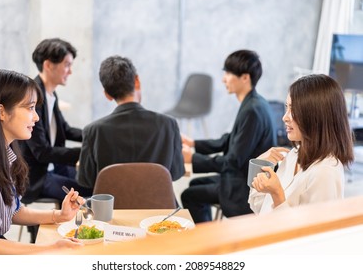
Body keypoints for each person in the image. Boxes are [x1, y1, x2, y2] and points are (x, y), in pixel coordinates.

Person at [0, 69, 84, 254]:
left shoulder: (2, 154)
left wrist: (60, 215)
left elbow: (14, 211)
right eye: (30, 107)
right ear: (1, 111)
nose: (36, 117)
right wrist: (50, 249)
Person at [181, 49, 276, 223]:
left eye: (229, 73)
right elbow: (229, 140)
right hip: (240, 176)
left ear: (245, 77)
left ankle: (208, 241)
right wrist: (194, 143)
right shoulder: (254, 103)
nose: (224, 78)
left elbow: (233, 162)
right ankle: (210, 233)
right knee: (194, 185)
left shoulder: (252, 111)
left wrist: (193, 159)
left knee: (189, 195)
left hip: (243, 189)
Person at [248, 74, 354, 214]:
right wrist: (261, 162)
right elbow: (260, 207)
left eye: (294, 110)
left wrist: (277, 194)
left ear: (316, 115)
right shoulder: (294, 155)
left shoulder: (325, 173)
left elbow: (314, 233)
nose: (285, 117)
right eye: (287, 107)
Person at [77, 55, 185, 189]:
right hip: (161, 207)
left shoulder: (93, 130)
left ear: (107, 94)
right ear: (137, 80)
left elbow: (87, 180)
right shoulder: (168, 124)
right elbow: (176, 173)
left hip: (112, 208)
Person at [19, 38, 92, 204]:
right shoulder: (32, 98)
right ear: (48, 65)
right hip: (37, 176)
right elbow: (42, 152)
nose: (70, 71)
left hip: (53, 167)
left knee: (94, 181)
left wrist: (94, 135)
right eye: (67, 65)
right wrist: (86, 152)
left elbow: (65, 130)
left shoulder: (50, 94)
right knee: (91, 191)